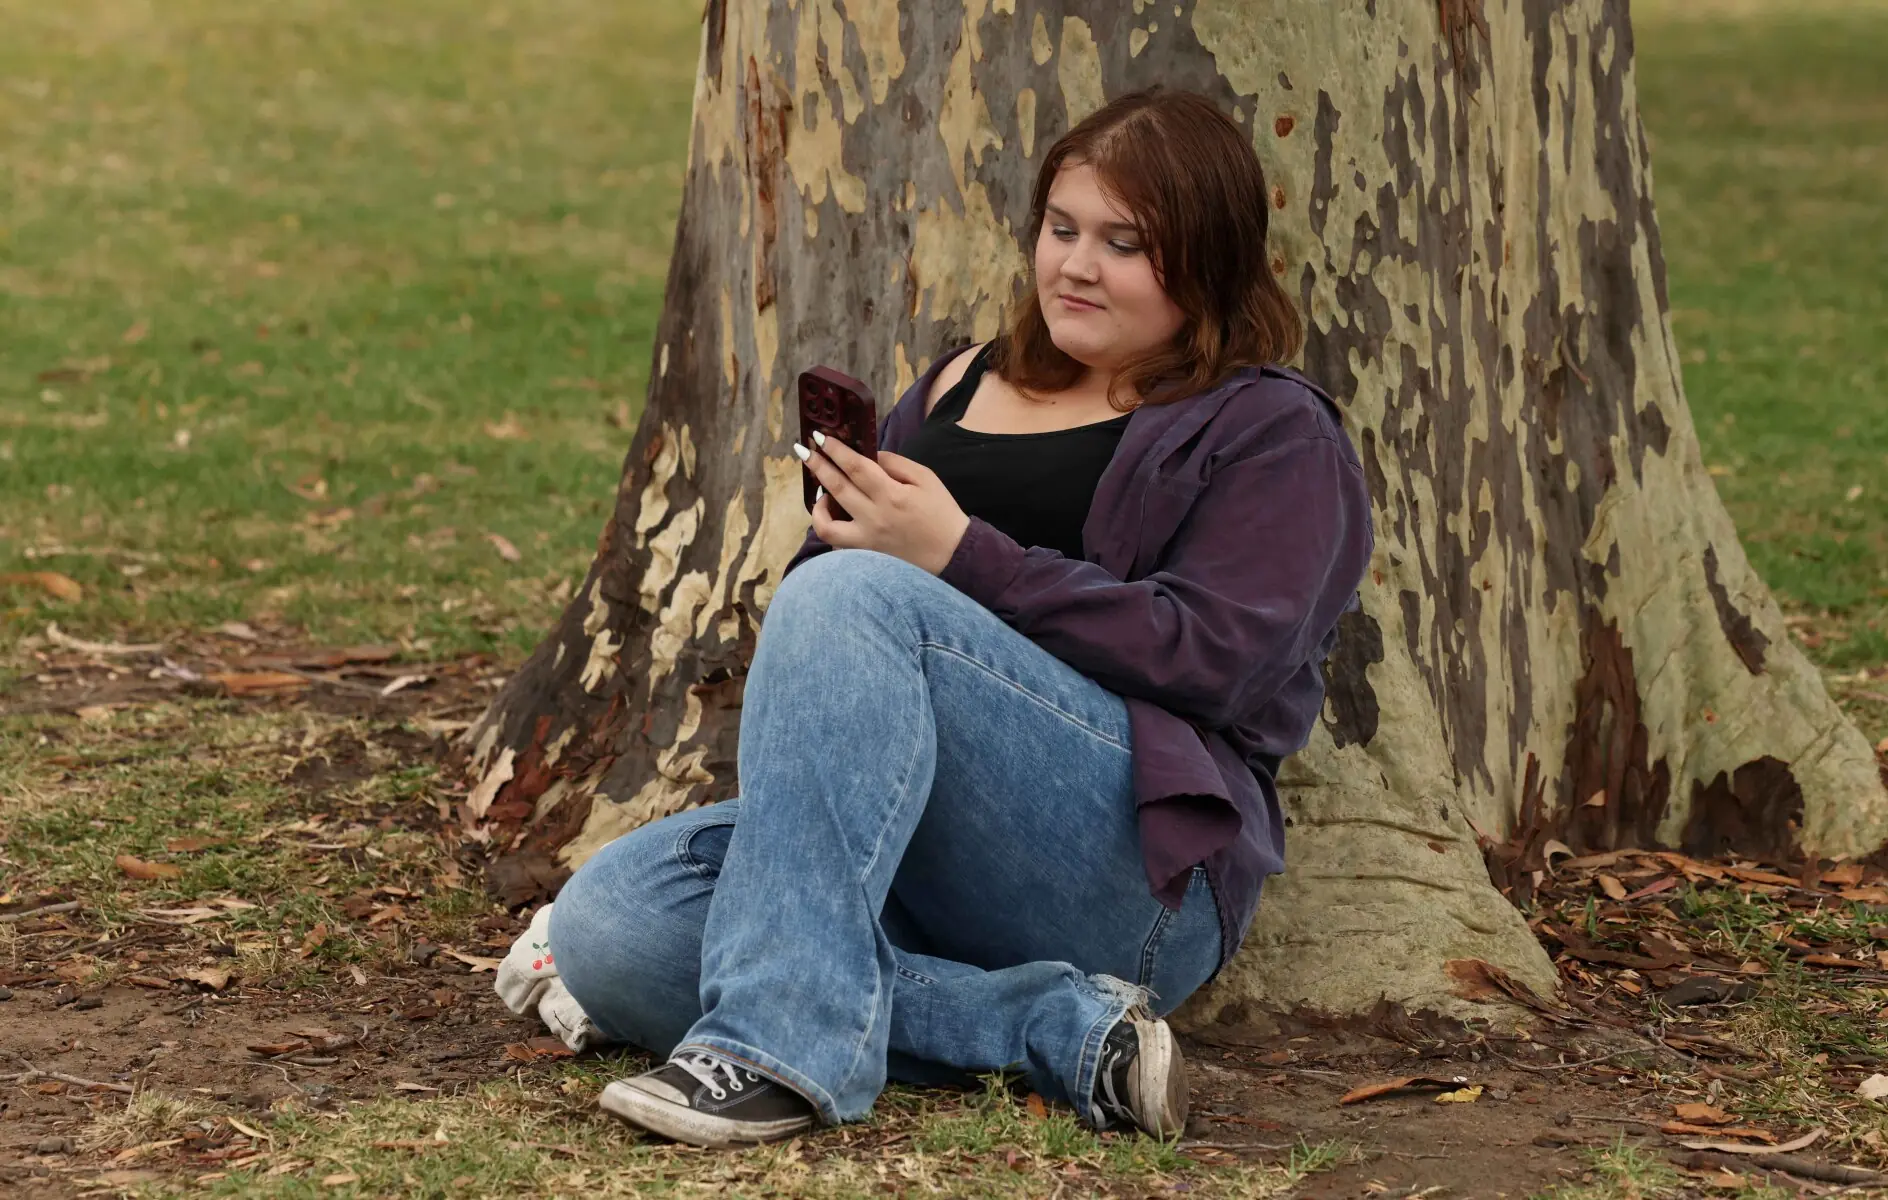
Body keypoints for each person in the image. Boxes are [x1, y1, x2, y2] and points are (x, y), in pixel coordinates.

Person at [496, 86, 1373, 1148]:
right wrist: (846, 530)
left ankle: (774, 1051)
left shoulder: (1269, 430)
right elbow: (839, 623)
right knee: (611, 924)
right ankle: (1053, 1032)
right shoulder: (961, 381)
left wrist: (957, 556)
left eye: (1124, 243)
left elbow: (1215, 662)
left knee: (857, 596)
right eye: (1060, 229)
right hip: (904, 854)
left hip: (1129, 876)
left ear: (1210, 260)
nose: (1075, 266)